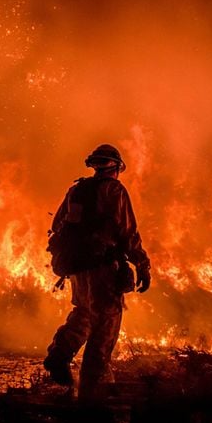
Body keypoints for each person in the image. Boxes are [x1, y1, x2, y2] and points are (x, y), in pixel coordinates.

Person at [43, 144, 151, 401]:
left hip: (79, 269)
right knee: (105, 326)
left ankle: (59, 355)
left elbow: (57, 225)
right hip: (104, 268)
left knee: (84, 314)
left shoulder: (76, 190)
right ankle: (91, 395)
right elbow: (127, 231)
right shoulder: (114, 190)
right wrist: (142, 264)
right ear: (115, 167)